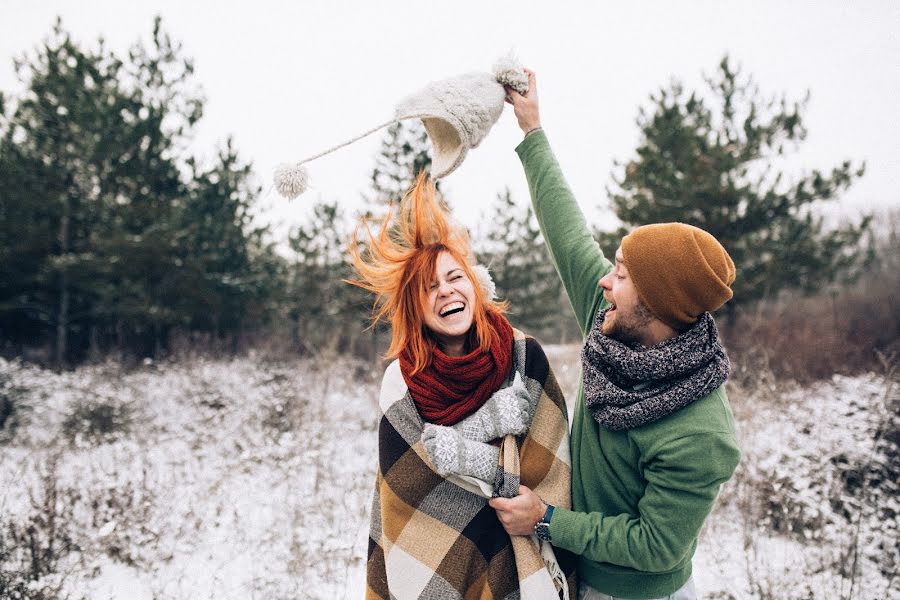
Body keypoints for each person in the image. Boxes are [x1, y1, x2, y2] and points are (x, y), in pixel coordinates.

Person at [489, 70, 741, 600]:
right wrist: (532, 130)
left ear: (659, 304)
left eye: (622, 273)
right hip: (578, 577)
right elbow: (568, 232)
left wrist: (548, 520)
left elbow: (656, 546)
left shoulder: (702, 431)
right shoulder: (609, 325)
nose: (605, 279)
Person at [352, 174, 576, 599]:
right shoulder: (402, 380)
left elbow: (550, 466)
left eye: (454, 277)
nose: (446, 292)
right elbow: (408, 481)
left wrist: (459, 453)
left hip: (517, 546)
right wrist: (487, 430)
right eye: (429, 287)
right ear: (414, 307)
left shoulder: (523, 356)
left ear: (474, 285)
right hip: (432, 554)